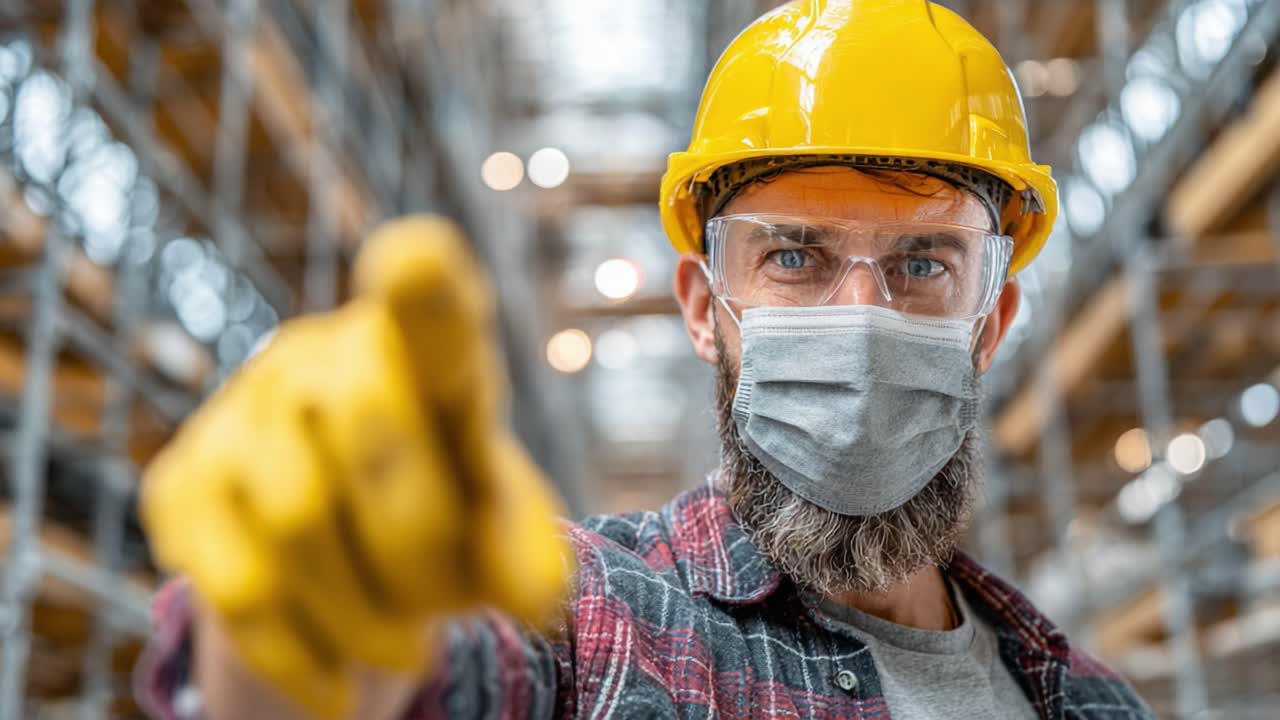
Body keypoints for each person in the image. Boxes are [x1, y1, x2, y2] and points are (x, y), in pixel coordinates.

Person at [137, 1, 1155, 718]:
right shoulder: (590, 623)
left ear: (991, 318)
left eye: (922, 261)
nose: (861, 316)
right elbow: (411, 684)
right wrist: (301, 623)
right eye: (792, 256)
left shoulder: (1092, 703)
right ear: (703, 307)